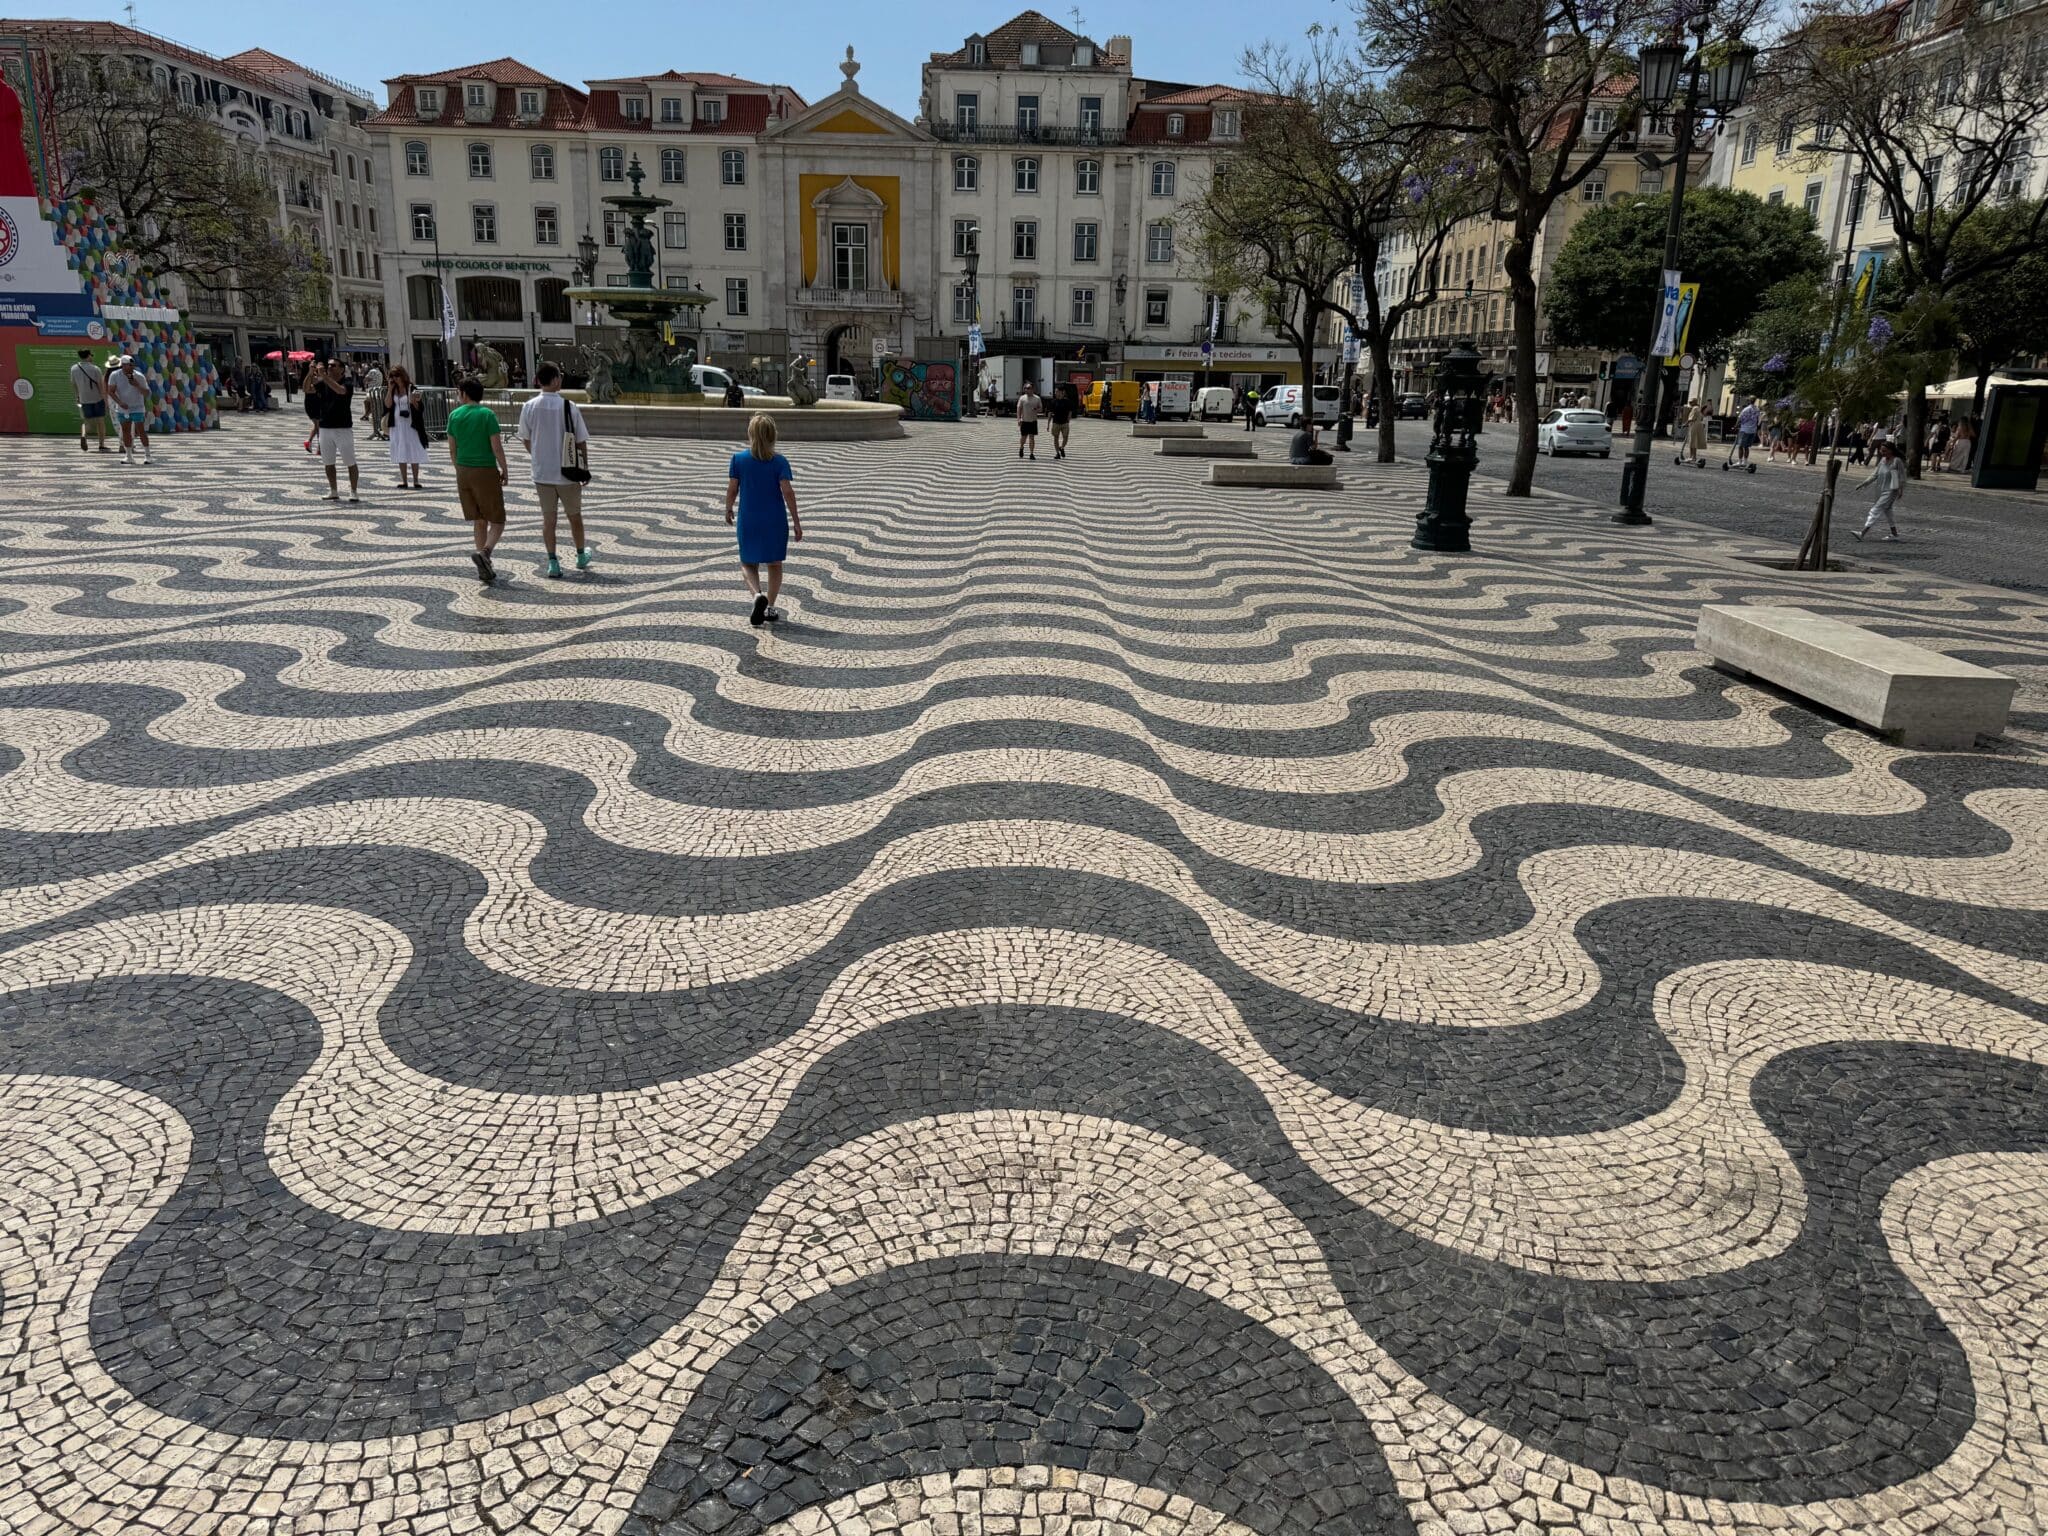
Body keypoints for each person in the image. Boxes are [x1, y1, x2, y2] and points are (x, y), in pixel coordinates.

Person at [515, 362, 595, 579]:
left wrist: (538, 455)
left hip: (542, 473)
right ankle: (580, 555)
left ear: (539, 381)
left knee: (548, 519)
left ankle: (553, 562)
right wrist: (584, 468)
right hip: (567, 471)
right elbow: (581, 441)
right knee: (574, 516)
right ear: (557, 380)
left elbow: (526, 438)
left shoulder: (529, 406)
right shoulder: (569, 407)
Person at [725, 411, 803, 626]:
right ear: (772, 435)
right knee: (774, 563)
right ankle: (769, 607)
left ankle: (757, 595)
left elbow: (733, 489)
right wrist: (796, 521)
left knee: (748, 562)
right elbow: (788, 491)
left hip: (749, 518)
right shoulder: (779, 462)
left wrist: (728, 508)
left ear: (750, 434)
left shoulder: (738, 459)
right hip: (774, 519)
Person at [447, 376, 510, 584]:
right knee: (498, 520)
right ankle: (485, 553)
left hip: (463, 469)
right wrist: (504, 468)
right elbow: (496, 446)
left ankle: (483, 566)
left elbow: (452, 449)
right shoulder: (487, 415)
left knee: (479, 519)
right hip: (484, 469)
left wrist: (459, 469)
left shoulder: (454, 416)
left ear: (464, 393)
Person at [306, 358, 360, 502]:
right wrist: (310, 374)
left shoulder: (347, 383)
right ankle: (333, 490)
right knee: (328, 462)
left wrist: (324, 377)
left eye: (333, 365)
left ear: (342, 369)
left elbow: (340, 390)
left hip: (343, 428)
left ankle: (353, 491)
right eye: (328, 365)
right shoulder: (323, 382)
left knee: (350, 461)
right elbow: (307, 389)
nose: (329, 367)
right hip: (325, 427)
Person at [1852, 439, 1906, 541]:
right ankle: (1894, 534)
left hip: (1891, 491)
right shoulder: (1882, 461)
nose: (1882, 453)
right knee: (1887, 511)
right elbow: (1874, 475)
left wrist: (1900, 490)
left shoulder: (1897, 461)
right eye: (1881, 451)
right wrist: (1863, 484)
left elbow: (1902, 476)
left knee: (1875, 510)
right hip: (1881, 489)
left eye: (1884, 451)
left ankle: (1862, 532)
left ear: (1891, 450)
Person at [384, 365, 428, 490]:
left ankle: (416, 480)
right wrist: (389, 388)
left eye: (396, 376)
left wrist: (414, 402)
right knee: (400, 449)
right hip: (397, 424)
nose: (394, 379)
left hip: (410, 423)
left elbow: (420, 407)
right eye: (391, 376)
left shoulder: (411, 388)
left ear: (402, 375)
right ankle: (404, 480)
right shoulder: (393, 389)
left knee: (413, 448)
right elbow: (387, 405)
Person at [105, 355, 151, 466]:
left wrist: (137, 385)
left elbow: (147, 393)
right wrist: (119, 402)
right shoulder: (115, 375)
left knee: (140, 430)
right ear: (123, 365)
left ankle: (147, 455)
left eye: (131, 365)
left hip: (137, 407)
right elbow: (110, 391)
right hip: (123, 407)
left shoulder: (139, 376)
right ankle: (129, 456)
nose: (130, 367)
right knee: (125, 430)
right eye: (127, 365)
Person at [70, 348, 109, 453]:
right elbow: (101, 386)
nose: (92, 357)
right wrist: (105, 400)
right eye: (91, 355)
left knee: (88, 422)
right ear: (88, 356)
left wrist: (77, 396)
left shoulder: (74, 368)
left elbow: (74, 384)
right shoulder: (95, 369)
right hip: (97, 398)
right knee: (100, 422)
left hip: (84, 399)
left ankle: (83, 435)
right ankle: (101, 445)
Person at [1723, 398, 1760, 472]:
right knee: (1746, 447)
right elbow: (1758, 419)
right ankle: (1745, 462)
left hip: (1744, 430)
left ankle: (1740, 461)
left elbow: (1740, 418)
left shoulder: (1746, 409)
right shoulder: (1757, 409)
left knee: (1740, 446)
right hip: (1752, 430)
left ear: (1749, 401)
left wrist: (1736, 426)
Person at [1674, 400, 1708, 467]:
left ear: (1694, 402)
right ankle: (1692, 457)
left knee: (1692, 441)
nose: (1690, 403)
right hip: (1698, 425)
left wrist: (1685, 424)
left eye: (1691, 402)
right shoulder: (1698, 408)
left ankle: (1692, 457)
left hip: (1694, 425)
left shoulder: (1695, 408)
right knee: (1694, 441)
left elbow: (1691, 418)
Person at [1015, 379, 1042, 459]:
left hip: (1033, 421)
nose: (1026, 389)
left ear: (1033, 389)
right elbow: (1019, 409)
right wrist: (1018, 419)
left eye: (1028, 388)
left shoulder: (1037, 398)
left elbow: (1041, 409)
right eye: (1025, 388)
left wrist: (1036, 409)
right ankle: (1021, 447)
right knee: (1023, 437)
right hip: (1024, 421)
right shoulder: (1022, 398)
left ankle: (1031, 453)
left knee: (1032, 437)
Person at [1048, 379, 1075, 459]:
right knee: (1055, 438)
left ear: (1061, 392)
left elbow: (1070, 412)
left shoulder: (1067, 401)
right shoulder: (1053, 402)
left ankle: (1062, 447)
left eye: (1056, 391)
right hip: (1056, 422)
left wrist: (1068, 420)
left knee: (1065, 437)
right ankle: (1057, 453)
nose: (1055, 393)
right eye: (1055, 391)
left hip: (1065, 423)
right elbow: (1050, 413)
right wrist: (1048, 424)